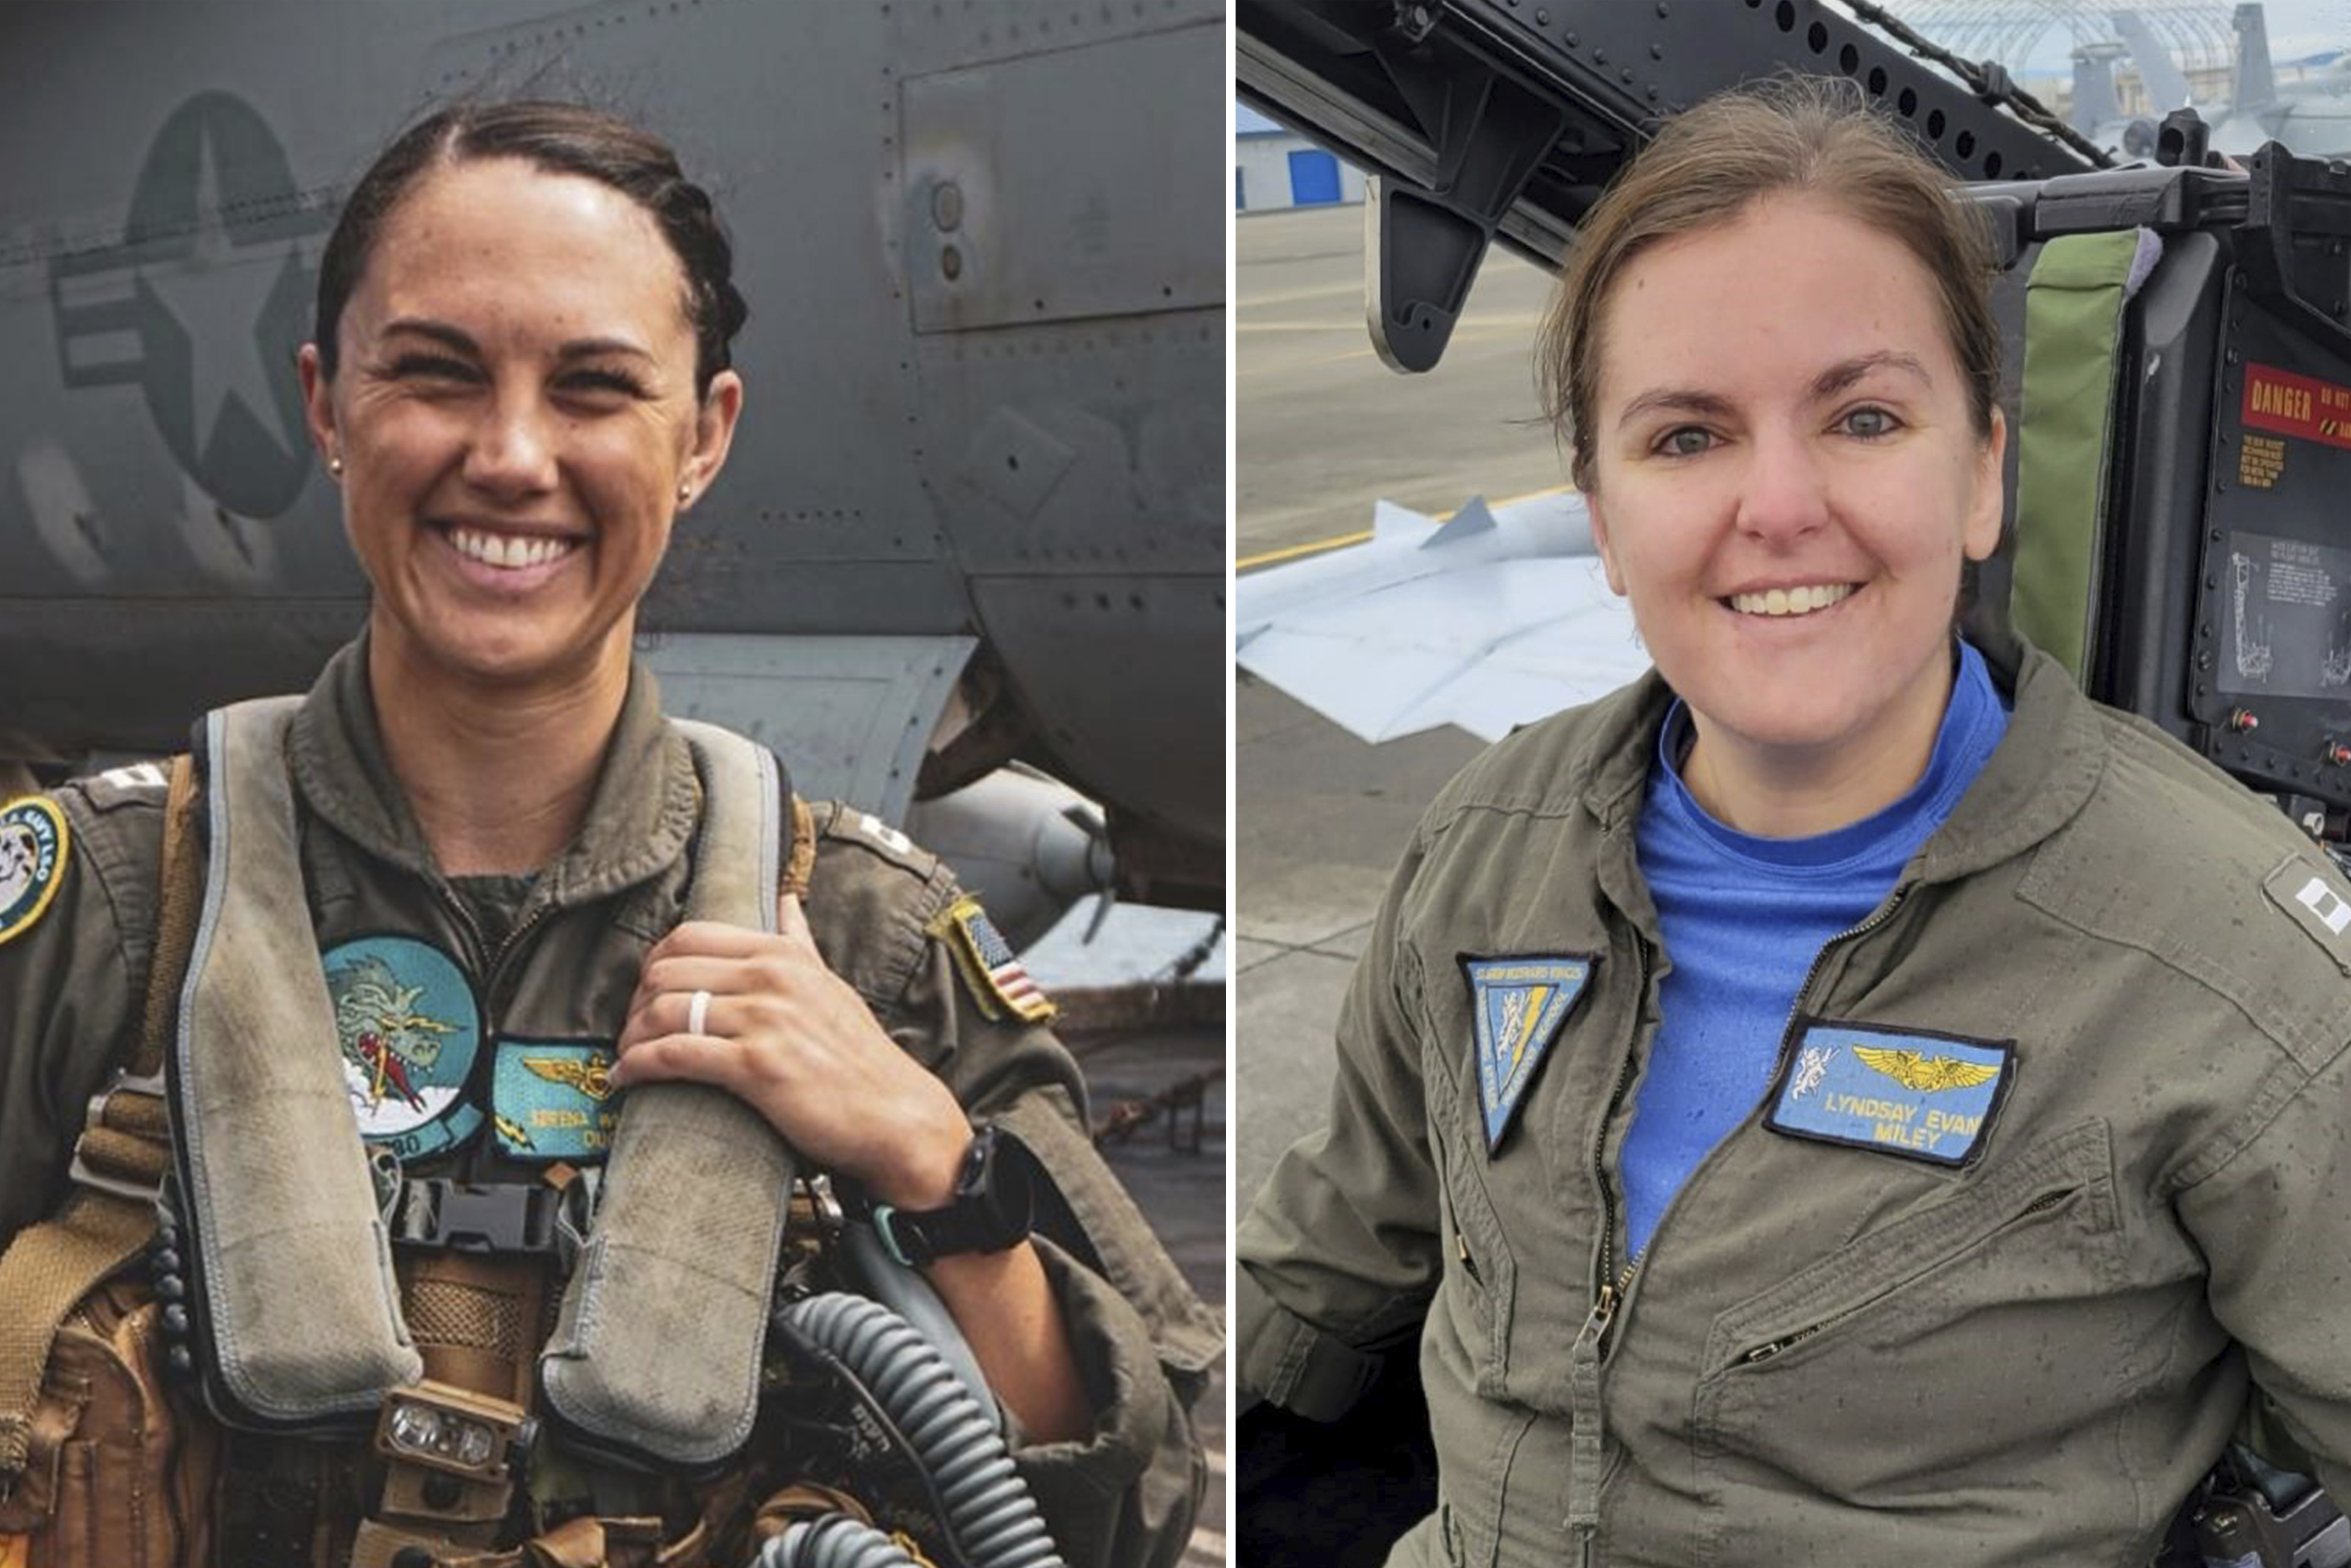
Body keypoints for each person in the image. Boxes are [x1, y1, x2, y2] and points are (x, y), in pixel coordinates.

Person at [0, 100, 1216, 1568]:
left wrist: (935, 1167)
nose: (512, 457)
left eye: (595, 388)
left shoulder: (865, 942)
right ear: (327, 406)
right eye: (437, 373)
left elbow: (1134, 1509)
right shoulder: (107, 914)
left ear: (703, 436)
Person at [1236, 77, 2351, 1566]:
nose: (1778, 505)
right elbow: (1324, 1284)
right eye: (1687, 438)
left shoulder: (2229, 968)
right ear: (1606, 521)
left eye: (1865, 417)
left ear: (1982, 475)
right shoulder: (1487, 848)